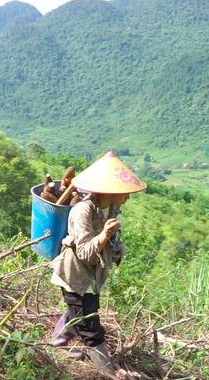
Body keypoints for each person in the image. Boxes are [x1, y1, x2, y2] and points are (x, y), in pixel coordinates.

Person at [50, 151, 146, 376]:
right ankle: (107, 371)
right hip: (74, 274)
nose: (128, 197)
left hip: (92, 276)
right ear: (110, 192)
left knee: (80, 310)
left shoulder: (112, 209)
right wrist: (103, 235)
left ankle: (56, 345)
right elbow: (83, 252)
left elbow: (112, 243)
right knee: (90, 327)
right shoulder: (82, 211)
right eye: (125, 193)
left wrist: (116, 248)